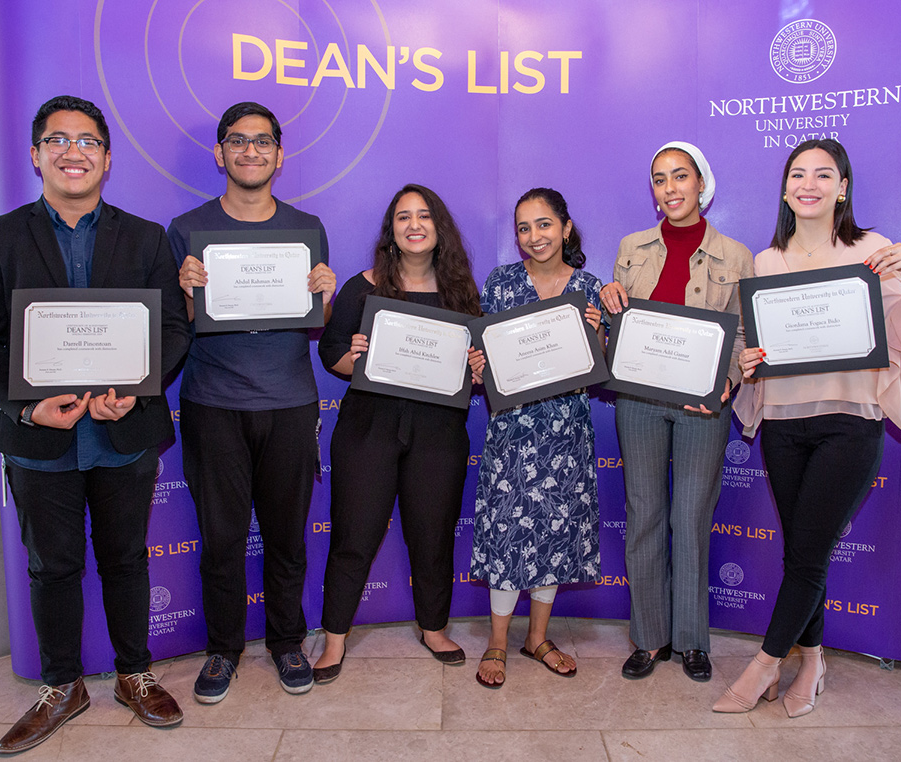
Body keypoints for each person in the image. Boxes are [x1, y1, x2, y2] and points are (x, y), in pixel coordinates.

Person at [0, 95, 190, 754]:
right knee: (52, 568)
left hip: (123, 432)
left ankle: (133, 674)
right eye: (57, 140)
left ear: (106, 159)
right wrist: (26, 406)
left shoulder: (145, 237)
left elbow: (173, 328)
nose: (72, 151)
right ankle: (63, 686)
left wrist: (136, 391)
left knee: (124, 561)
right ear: (36, 156)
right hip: (40, 438)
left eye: (86, 141)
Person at [718, 139, 901, 716]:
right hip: (785, 423)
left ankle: (767, 661)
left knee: (807, 555)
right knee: (802, 552)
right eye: (797, 174)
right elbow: (755, 349)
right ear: (785, 188)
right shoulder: (767, 262)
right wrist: (748, 363)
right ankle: (812, 659)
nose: (808, 183)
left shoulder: (874, 250)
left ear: (843, 186)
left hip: (849, 423)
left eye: (823, 174)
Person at [170, 102, 336, 700]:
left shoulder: (306, 228)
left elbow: (314, 319)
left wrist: (326, 294)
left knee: (288, 535)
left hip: (290, 404)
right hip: (214, 405)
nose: (250, 151)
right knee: (221, 539)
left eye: (262, 141)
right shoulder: (187, 230)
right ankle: (223, 650)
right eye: (237, 141)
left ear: (279, 155)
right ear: (219, 154)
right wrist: (187, 293)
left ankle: (288, 642)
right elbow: (177, 325)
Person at [312, 184, 481, 683]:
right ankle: (334, 638)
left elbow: (475, 369)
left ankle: (433, 627)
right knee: (353, 534)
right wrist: (357, 355)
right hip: (369, 427)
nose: (414, 225)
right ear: (391, 230)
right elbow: (332, 356)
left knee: (432, 536)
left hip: (439, 432)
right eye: (403, 216)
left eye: (424, 215)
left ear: (438, 227)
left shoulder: (461, 292)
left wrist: (476, 368)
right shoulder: (361, 288)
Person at [600, 142, 753, 683]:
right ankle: (649, 639)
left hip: (701, 407)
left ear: (701, 183)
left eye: (680, 177)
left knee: (690, 518)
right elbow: (617, 325)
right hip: (639, 401)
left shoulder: (735, 254)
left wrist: (727, 383)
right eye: (660, 180)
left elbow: (741, 333)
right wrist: (608, 299)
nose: (670, 189)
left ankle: (691, 640)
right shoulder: (631, 247)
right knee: (644, 515)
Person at [468, 188, 603, 688]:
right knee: (507, 533)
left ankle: (538, 638)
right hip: (513, 430)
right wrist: (477, 365)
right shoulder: (501, 284)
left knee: (552, 530)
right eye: (523, 228)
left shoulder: (591, 289)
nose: (534, 237)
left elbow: (602, 368)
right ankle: (498, 642)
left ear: (565, 228)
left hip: (566, 431)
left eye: (544, 225)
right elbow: (484, 358)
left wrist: (599, 335)